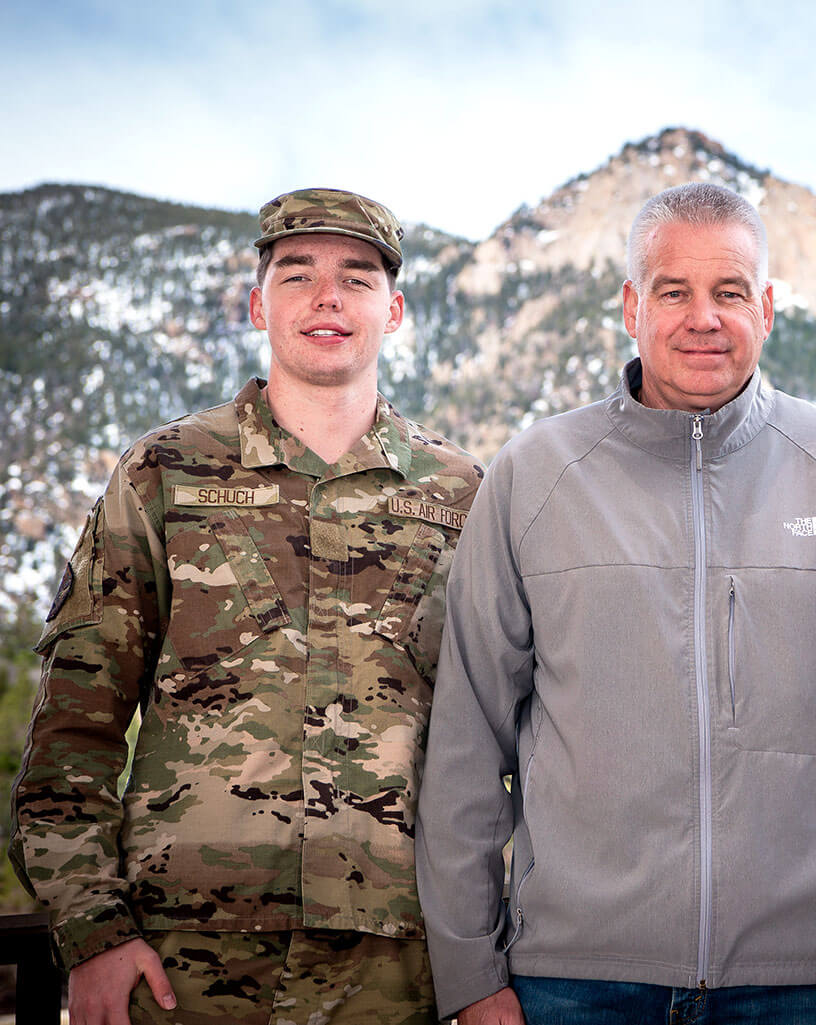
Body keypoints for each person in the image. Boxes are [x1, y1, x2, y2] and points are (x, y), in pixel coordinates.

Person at [415, 182, 816, 1025]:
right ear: (630, 305)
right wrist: (469, 973)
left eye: (729, 291)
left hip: (790, 981)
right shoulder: (536, 478)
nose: (703, 317)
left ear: (766, 306)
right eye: (673, 291)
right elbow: (468, 736)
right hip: (572, 980)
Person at [8, 188, 483, 1025]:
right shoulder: (166, 472)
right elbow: (74, 725)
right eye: (297, 275)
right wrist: (93, 930)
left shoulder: (461, 497)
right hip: (183, 967)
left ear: (395, 310)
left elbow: (495, 743)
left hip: (399, 973)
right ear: (257, 303)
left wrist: (480, 959)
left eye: (357, 277)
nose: (327, 297)